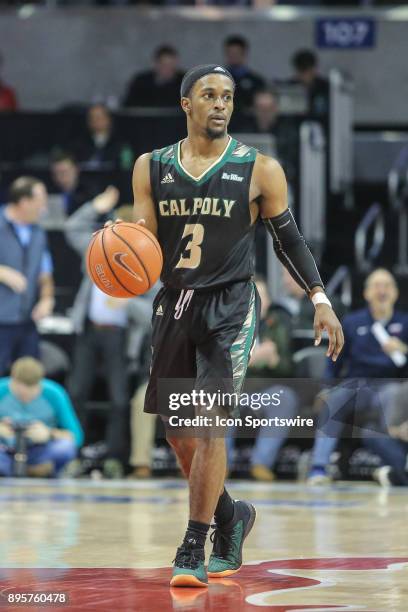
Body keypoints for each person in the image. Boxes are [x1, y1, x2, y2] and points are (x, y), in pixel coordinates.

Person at [117, 63, 342, 587]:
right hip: (175, 303)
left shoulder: (260, 168)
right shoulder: (151, 167)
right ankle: (230, 516)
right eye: (209, 95)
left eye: (228, 96)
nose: (221, 104)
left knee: (210, 423)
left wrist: (320, 298)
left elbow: (289, 241)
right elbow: (143, 240)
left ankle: (194, 545)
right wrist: (121, 242)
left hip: (232, 307)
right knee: (178, 435)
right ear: (186, 105)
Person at [65, 193, 154, 475]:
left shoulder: (146, 259)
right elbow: (72, 229)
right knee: (76, 392)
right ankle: (73, 455)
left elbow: (154, 309)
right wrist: (94, 205)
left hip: (121, 336)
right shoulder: (99, 247)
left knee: (119, 398)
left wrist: (127, 301)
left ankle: (115, 458)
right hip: (89, 330)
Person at [308, 268, 408, 485]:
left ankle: (389, 461)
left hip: (390, 384)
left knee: (392, 396)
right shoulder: (352, 322)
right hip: (356, 384)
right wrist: (326, 388)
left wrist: (404, 349)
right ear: (366, 293)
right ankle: (319, 467)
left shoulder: (405, 322)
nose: (382, 291)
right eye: (376, 286)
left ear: (396, 293)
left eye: (387, 286)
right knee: (334, 398)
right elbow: (333, 359)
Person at [226, 276, 298, 482]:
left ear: (268, 301)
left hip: (266, 391)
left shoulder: (278, 324)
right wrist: (251, 359)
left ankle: (261, 463)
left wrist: (275, 361)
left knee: (285, 396)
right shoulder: (227, 326)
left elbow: (289, 369)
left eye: (261, 296)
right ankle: (220, 465)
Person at [0, 177, 54, 375]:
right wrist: (2, 272)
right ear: (24, 202)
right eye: (41, 201)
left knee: (30, 376)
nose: (44, 208)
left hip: (26, 321)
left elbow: (45, 272)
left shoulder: (39, 232)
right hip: (1, 320)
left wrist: (47, 298)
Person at [0, 357, 83, 477]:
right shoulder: (1, 390)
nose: (25, 397)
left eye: (31, 393)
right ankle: (30, 471)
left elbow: (76, 437)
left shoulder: (54, 393)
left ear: (40, 383)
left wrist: (49, 433)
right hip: (5, 450)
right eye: (19, 393)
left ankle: (33, 469)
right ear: (12, 381)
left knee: (65, 448)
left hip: (40, 450)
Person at [73, 103, 131, 170]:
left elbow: (126, 167)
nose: (95, 121)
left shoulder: (122, 145)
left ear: (108, 119)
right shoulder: (78, 144)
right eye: (91, 118)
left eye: (98, 117)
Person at [50, 151, 98, 216]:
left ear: (76, 170)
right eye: (57, 173)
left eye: (65, 171)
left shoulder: (90, 192)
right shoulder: (49, 193)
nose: (61, 176)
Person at [223, 36, 266, 110]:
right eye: (230, 53)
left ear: (244, 54)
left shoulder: (256, 81)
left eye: (236, 53)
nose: (233, 57)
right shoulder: (219, 79)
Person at [291, 49, 329, 119]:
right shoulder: (290, 88)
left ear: (314, 69)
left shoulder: (326, 88)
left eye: (307, 71)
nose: (305, 76)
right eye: (302, 71)